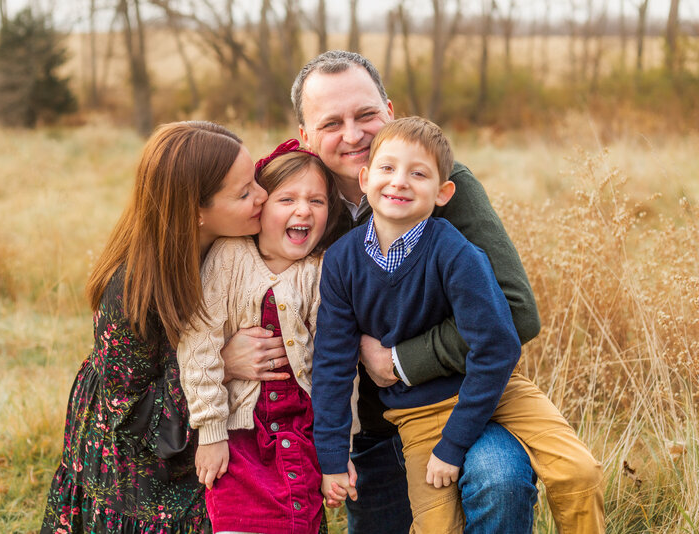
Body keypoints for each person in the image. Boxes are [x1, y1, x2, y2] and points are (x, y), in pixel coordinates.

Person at [312, 117, 604, 533]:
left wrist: (453, 445)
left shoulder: (455, 252)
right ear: (365, 178)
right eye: (387, 169)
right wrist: (332, 455)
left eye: (418, 174)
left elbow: (499, 346)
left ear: (444, 192)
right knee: (435, 527)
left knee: (579, 473)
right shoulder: (342, 260)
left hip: (496, 391)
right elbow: (332, 364)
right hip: (415, 413)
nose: (399, 182)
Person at [40, 121, 270, 533]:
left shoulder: (238, 248)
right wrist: (222, 363)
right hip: (140, 466)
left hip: (216, 433)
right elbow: (129, 413)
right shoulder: (132, 291)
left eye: (255, 182)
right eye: (244, 193)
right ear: (196, 211)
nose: (263, 196)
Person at [176, 141, 340, 534]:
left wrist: (336, 455)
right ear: (261, 208)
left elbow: (334, 368)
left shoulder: (322, 272)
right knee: (237, 522)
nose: (303, 210)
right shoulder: (229, 257)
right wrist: (211, 433)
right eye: (287, 199)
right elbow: (199, 344)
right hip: (240, 440)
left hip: (302, 438)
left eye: (316, 201)